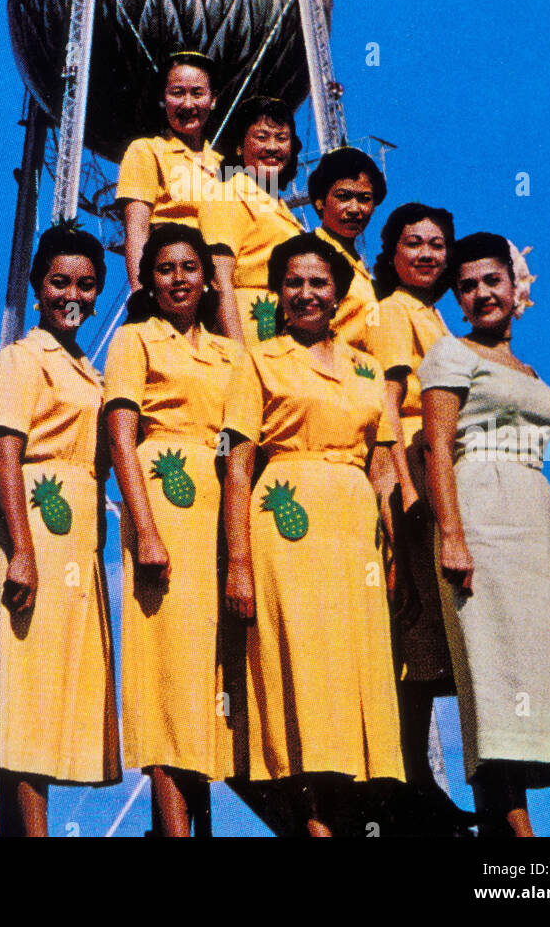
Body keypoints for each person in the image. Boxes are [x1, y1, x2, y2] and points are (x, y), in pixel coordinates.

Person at [223, 233, 405, 836]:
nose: (305, 294)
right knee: (300, 671)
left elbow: (382, 465)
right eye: (293, 283)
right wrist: (240, 563)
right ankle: (313, 825)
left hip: (356, 537)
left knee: (356, 677)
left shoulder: (366, 367)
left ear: (338, 293)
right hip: (288, 530)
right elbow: (240, 463)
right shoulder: (260, 359)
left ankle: (347, 821)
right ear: (277, 293)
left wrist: (395, 550)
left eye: (318, 283)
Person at [419, 233, 550, 836]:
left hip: (533, 518)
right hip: (478, 513)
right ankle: (519, 836)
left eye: (492, 281)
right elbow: (436, 447)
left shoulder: (528, 369)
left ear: (517, 288)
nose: (481, 293)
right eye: (467, 285)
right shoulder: (450, 354)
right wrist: (452, 535)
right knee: (493, 671)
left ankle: (502, 833)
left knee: (529, 672)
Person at [0, 224, 121, 836]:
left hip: (77, 543)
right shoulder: (19, 359)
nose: (73, 295)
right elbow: (5, 455)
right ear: (37, 289)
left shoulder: (88, 371)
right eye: (60, 282)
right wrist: (23, 553)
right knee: (29, 692)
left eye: (86, 285)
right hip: (31, 529)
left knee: (61, 694)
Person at [103, 224, 241, 836]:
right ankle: (173, 829)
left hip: (222, 509)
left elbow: (240, 442)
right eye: (165, 269)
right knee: (168, 671)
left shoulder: (230, 353)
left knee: (212, 675)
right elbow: (121, 438)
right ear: (149, 280)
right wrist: (146, 529)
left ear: (207, 279)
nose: (179, 279)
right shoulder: (135, 342)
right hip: (163, 499)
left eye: (189, 268)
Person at [363, 204, 459, 803]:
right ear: (391, 252)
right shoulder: (396, 311)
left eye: (435, 245)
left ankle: (420, 776)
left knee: (429, 638)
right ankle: (412, 777)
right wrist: (407, 488)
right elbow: (389, 404)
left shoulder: (434, 315)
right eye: (413, 243)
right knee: (417, 630)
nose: (426, 254)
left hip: (439, 464)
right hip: (415, 472)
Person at [199, 95, 305, 344]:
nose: (272, 147)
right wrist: (237, 354)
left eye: (282, 138)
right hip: (251, 330)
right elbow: (218, 280)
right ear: (239, 146)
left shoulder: (282, 211)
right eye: (261, 137)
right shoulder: (227, 195)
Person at [116, 51, 222, 291]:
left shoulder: (223, 165)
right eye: (177, 93)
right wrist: (140, 296)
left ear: (213, 99)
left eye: (197, 93)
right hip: (174, 281)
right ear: (163, 98)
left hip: (222, 285)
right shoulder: (146, 150)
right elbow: (137, 230)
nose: (187, 104)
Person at [307, 145, 387, 350]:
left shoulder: (357, 266)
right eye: (343, 197)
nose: (354, 209)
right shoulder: (310, 256)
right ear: (320, 202)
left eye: (364, 199)